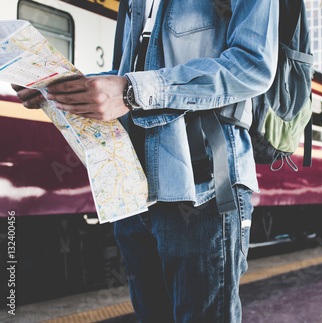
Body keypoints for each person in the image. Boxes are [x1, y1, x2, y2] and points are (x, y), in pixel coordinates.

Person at [12, 0, 278, 321]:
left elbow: (253, 66)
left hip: (204, 185)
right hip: (134, 190)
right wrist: (62, 91)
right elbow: (129, 76)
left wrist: (130, 92)